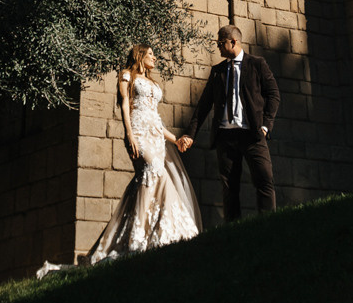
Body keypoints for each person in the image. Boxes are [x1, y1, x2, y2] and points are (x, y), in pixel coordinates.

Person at [80, 44, 201, 264]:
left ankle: (158, 232)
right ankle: (137, 237)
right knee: (152, 171)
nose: (155, 58)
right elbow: (125, 104)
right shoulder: (127, 75)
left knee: (151, 179)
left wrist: (175, 139)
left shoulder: (153, 82)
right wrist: (129, 134)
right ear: (140, 55)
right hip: (138, 133)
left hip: (155, 136)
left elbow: (155, 118)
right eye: (151, 54)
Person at [188, 25, 280, 220]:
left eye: (221, 43)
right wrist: (190, 134)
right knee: (229, 188)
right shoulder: (217, 71)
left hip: (252, 134)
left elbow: (273, 95)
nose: (218, 47)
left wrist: (266, 125)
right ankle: (232, 229)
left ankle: (269, 224)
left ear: (233, 42)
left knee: (264, 180)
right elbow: (203, 106)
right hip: (225, 136)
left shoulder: (257, 64)